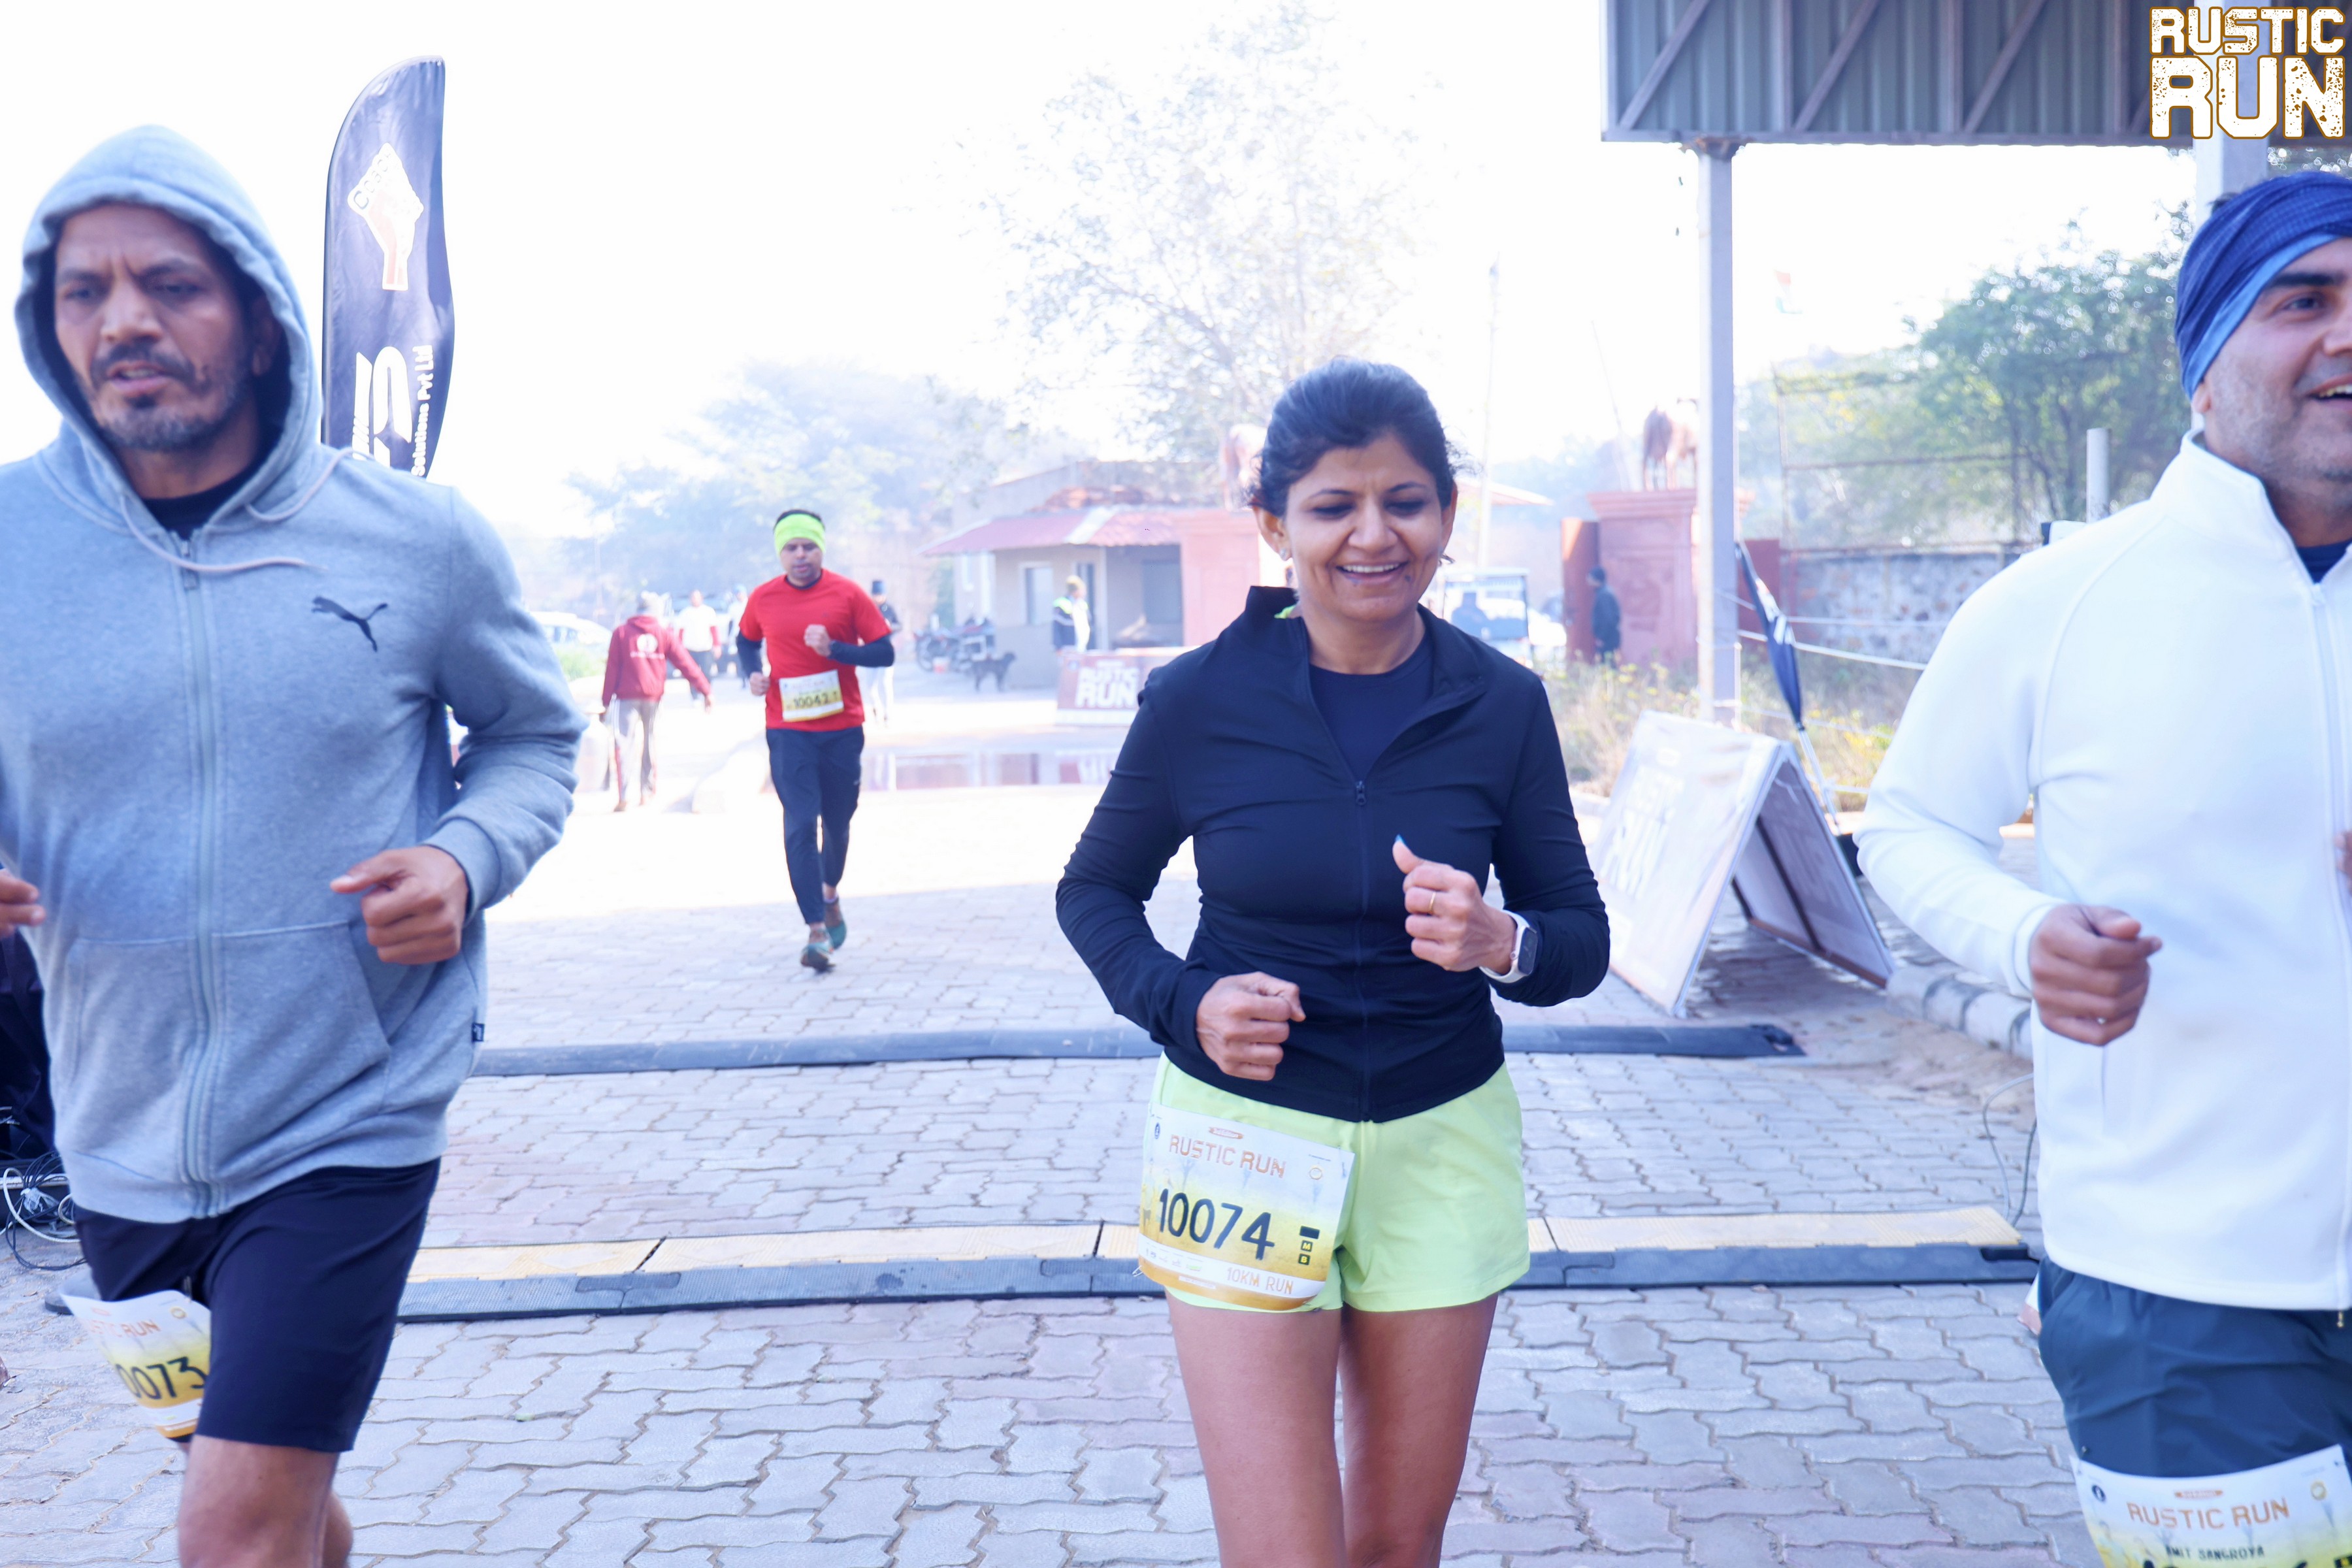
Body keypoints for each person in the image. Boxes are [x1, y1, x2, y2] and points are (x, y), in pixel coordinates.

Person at [0, 129, 580, 1567]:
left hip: (344, 1115)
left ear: (260, 317)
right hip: (116, 1138)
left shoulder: (416, 541)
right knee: (274, 1507)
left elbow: (531, 737)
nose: (123, 320)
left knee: (232, 1531)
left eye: (170, 283)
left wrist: (463, 859)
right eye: (85, 292)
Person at [1058, 360, 1610, 1566]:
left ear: (1448, 513)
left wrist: (1502, 940)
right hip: (1244, 1142)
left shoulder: (1503, 704)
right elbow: (1092, 891)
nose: (1373, 535)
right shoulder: (1197, 701)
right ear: (1274, 524)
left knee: (1397, 1549)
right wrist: (1184, 1002)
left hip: (1442, 1136)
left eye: (1405, 502)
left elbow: (1581, 935)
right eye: (1332, 506)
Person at [1859, 171, 2352, 1494]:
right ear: (2206, 364)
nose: (2348, 333)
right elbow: (1910, 824)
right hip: (2174, 1298)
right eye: (2304, 299)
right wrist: (2024, 938)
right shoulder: (2065, 601)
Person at [737, 510, 896, 972]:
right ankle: (816, 931)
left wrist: (836, 650)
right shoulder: (763, 598)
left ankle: (829, 895)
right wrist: (753, 674)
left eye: (808, 546)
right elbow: (745, 642)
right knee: (800, 824)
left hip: (842, 729)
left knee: (838, 823)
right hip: (788, 730)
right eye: (791, 548)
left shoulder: (847, 594)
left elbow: (885, 652)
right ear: (780, 554)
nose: (800, 555)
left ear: (821, 549)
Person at [600, 591, 713, 813]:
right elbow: (685, 663)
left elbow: (611, 670)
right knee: (650, 742)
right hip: (653, 697)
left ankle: (624, 796)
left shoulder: (621, 633)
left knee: (624, 743)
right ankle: (646, 793)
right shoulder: (663, 633)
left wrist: (605, 702)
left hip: (626, 698)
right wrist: (706, 690)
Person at [864, 577, 903, 725]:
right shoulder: (867, 609)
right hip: (870, 650)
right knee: (870, 685)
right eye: (876, 595)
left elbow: (899, 626)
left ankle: (888, 713)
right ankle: (876, 709)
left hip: (886, 649)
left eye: (880, 595)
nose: (878, 598)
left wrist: (889, 626)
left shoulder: (889, 610)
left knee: (886, 683)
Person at [674, 588, 724, 689]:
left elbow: (714, 630)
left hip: (705, 648)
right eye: (693, 597)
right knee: (692, 673)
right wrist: (679, 648)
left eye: (697, 597)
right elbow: (681, 632)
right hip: (690, 648)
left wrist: (717, 646)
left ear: (701, 598)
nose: (695, 599)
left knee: (706, 672)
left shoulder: (709, 612)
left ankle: (707, 691)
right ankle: (694, 694)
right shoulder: (685, 613)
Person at [1587, 565, 1621, 666]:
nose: (1588, 580)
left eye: (1590, 577)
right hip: (1610, 637)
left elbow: (1608, 619)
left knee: (1607, 665)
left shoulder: (1604, 595)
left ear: (1596, 579)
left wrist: (1602, 637)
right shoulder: (1604, 592)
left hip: (1608, 639)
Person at [1051, 574, 1090, 654]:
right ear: (1075, 591)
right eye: (1083, 590)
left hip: (1082, 649)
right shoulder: (1062, 604)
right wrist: (1058, 648)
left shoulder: (1082, 605)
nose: (1085, 593)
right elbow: (1056, 629)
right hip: (1067, 650)